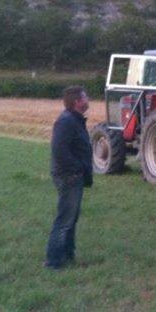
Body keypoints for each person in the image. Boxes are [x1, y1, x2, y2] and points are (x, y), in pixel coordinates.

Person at [46, 86, 93, 270]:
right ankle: (54, 262)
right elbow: (59, 150)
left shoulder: (74, 120)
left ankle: (68, 256)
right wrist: (77, 168)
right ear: (77, 102)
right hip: (69, 176)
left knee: (71, 219)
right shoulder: (66, 122)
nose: (88, 99)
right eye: (85, 97)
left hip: (74, 175)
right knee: (65, 219)